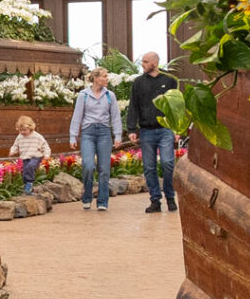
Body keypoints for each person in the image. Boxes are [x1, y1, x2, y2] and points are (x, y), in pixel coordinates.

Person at [124, 52, 179, 214]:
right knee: (149, 167)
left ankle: (169, 196)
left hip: (166, 129)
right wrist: (132, 129)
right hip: (146, 131)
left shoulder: (169, 81)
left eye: (146, 62)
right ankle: (155, 200)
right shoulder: (138, 82)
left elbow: (176, 105)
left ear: (155, 63)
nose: (143, 64)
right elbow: (133, 105)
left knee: (168, 163)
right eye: (143, 61)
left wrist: (177, 129)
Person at [68, 69, 120, 213]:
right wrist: (73, 136)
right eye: (104, 76)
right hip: (88, 133)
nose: (107, 79)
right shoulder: (83, 95)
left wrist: (118, 135)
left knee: (104, 169)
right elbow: (77, 116)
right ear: (96, 78)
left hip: (104, 132)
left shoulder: (110, 96)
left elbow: (115, 117)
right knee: (88, 165)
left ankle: (102, 201)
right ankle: (87, 196)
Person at [7, 117, 50, 187]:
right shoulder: (19, 137)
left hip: (35, 157)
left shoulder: (37, 136)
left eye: (24, 130)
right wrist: (12, 151)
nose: (22, 132)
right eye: (20, 130)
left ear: (30, 127)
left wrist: (47, 154)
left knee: (30, 166)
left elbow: (45, 146)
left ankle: (30, 182)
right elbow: (15, 145)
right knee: (25, 172)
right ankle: (26, 185)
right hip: (25, 157)